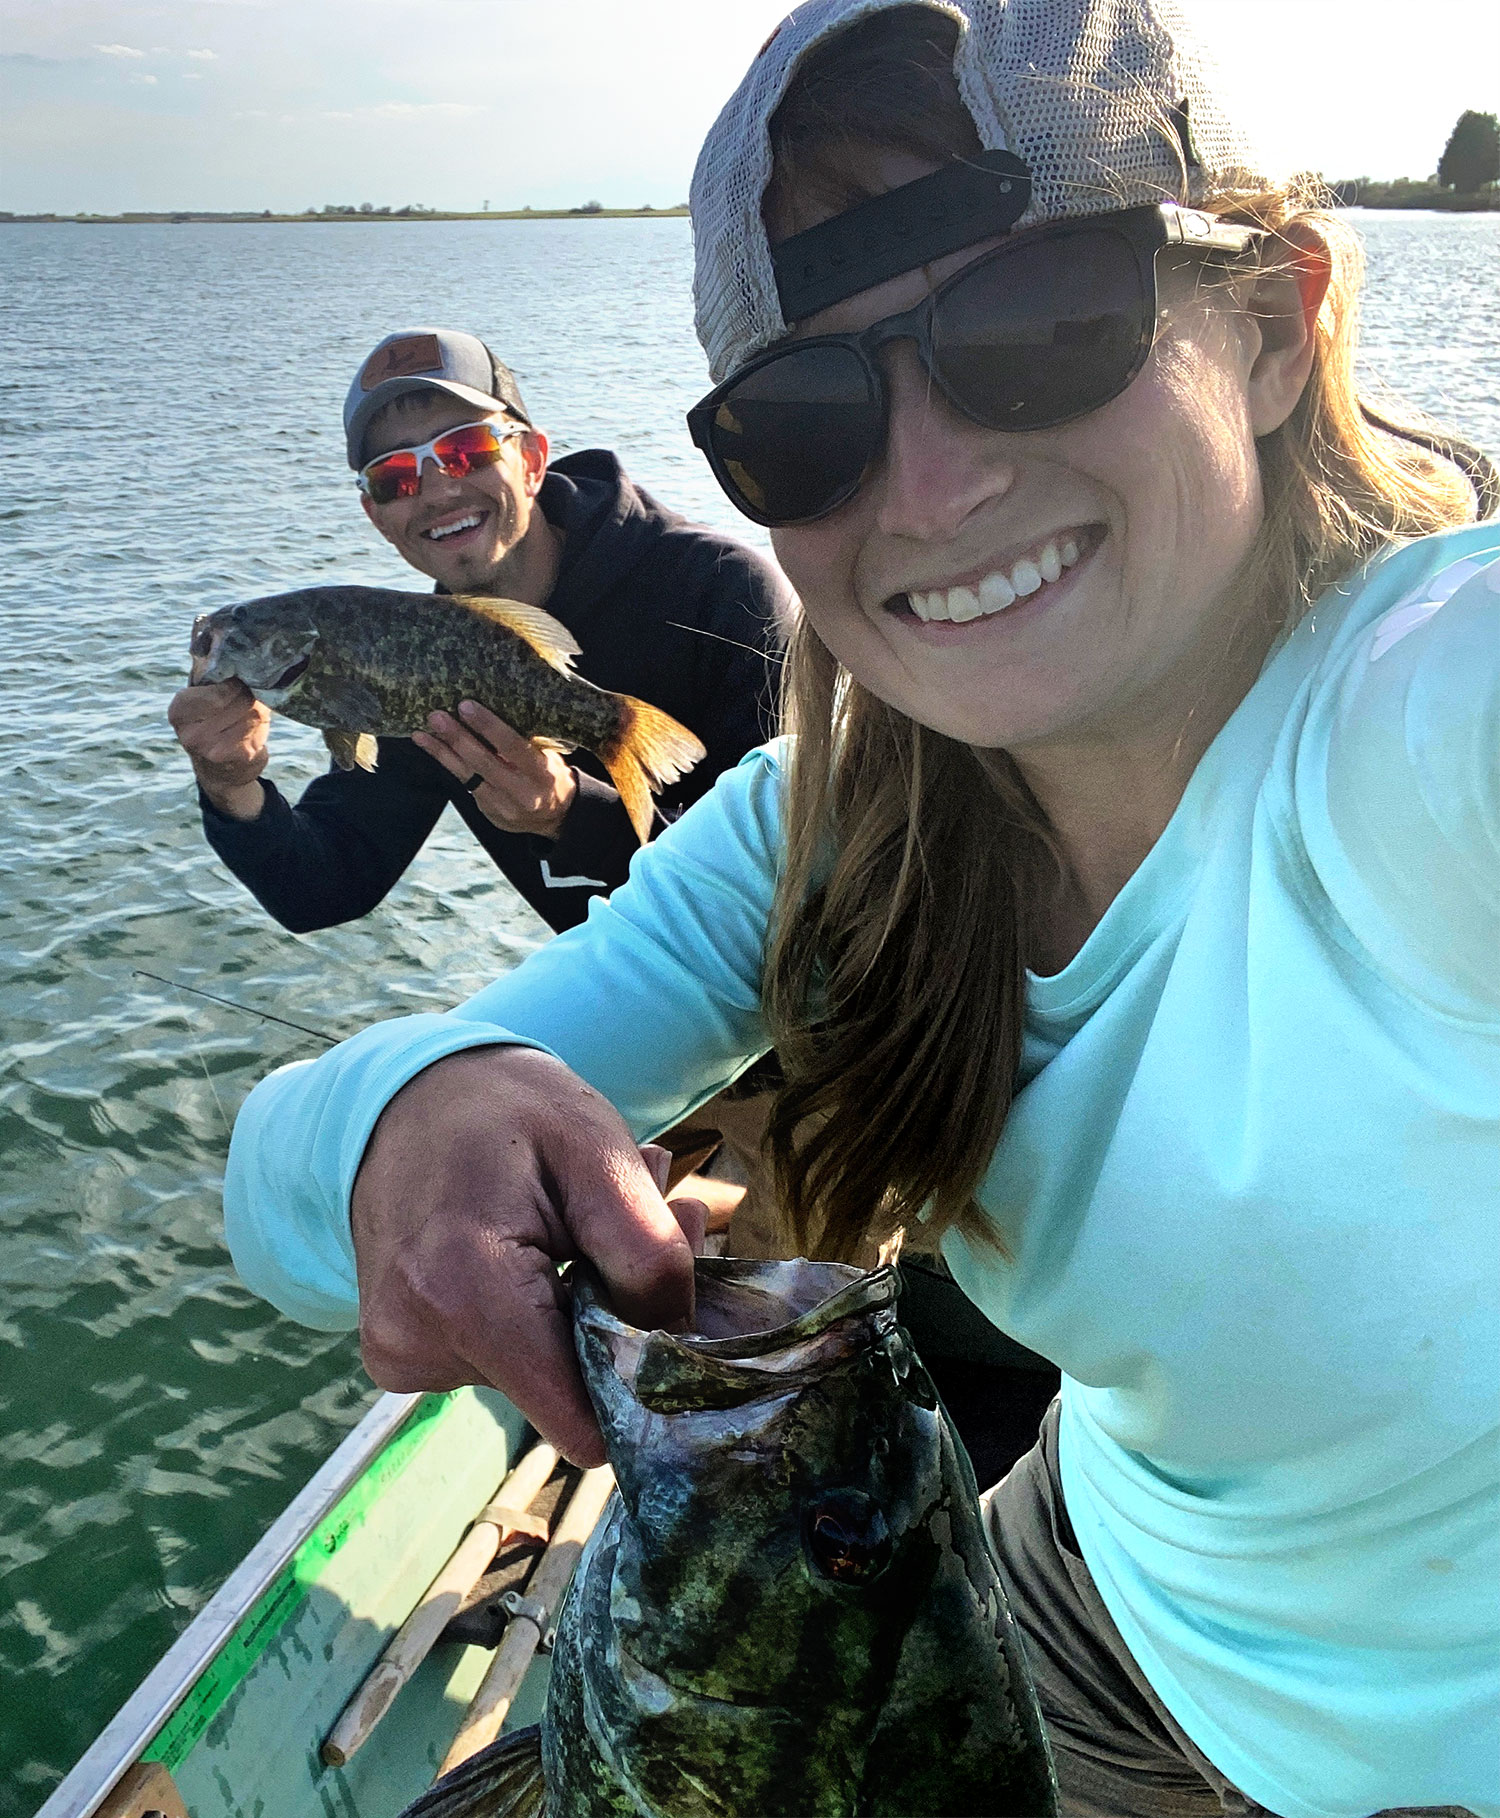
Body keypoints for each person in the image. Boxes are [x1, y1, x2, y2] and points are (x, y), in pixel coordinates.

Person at [219, 2, 1499, 1812]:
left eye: (1042, 331)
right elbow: (266, 1192)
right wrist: (402, 1125)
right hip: (1079, 1594)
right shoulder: (838, 823)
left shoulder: (1432, 711)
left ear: (1276, 325)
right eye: (805, 420)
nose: (935, 484)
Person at [167, 328, 789, 935]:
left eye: (465, 450)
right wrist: (230, 785)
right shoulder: (417, 646)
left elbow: (796, 873)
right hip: (634, 979)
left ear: (532, 459)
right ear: (375, 514)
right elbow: (325, 886)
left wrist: (572, 816)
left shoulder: (722, 589)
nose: (438, 489)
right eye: (395, 478)